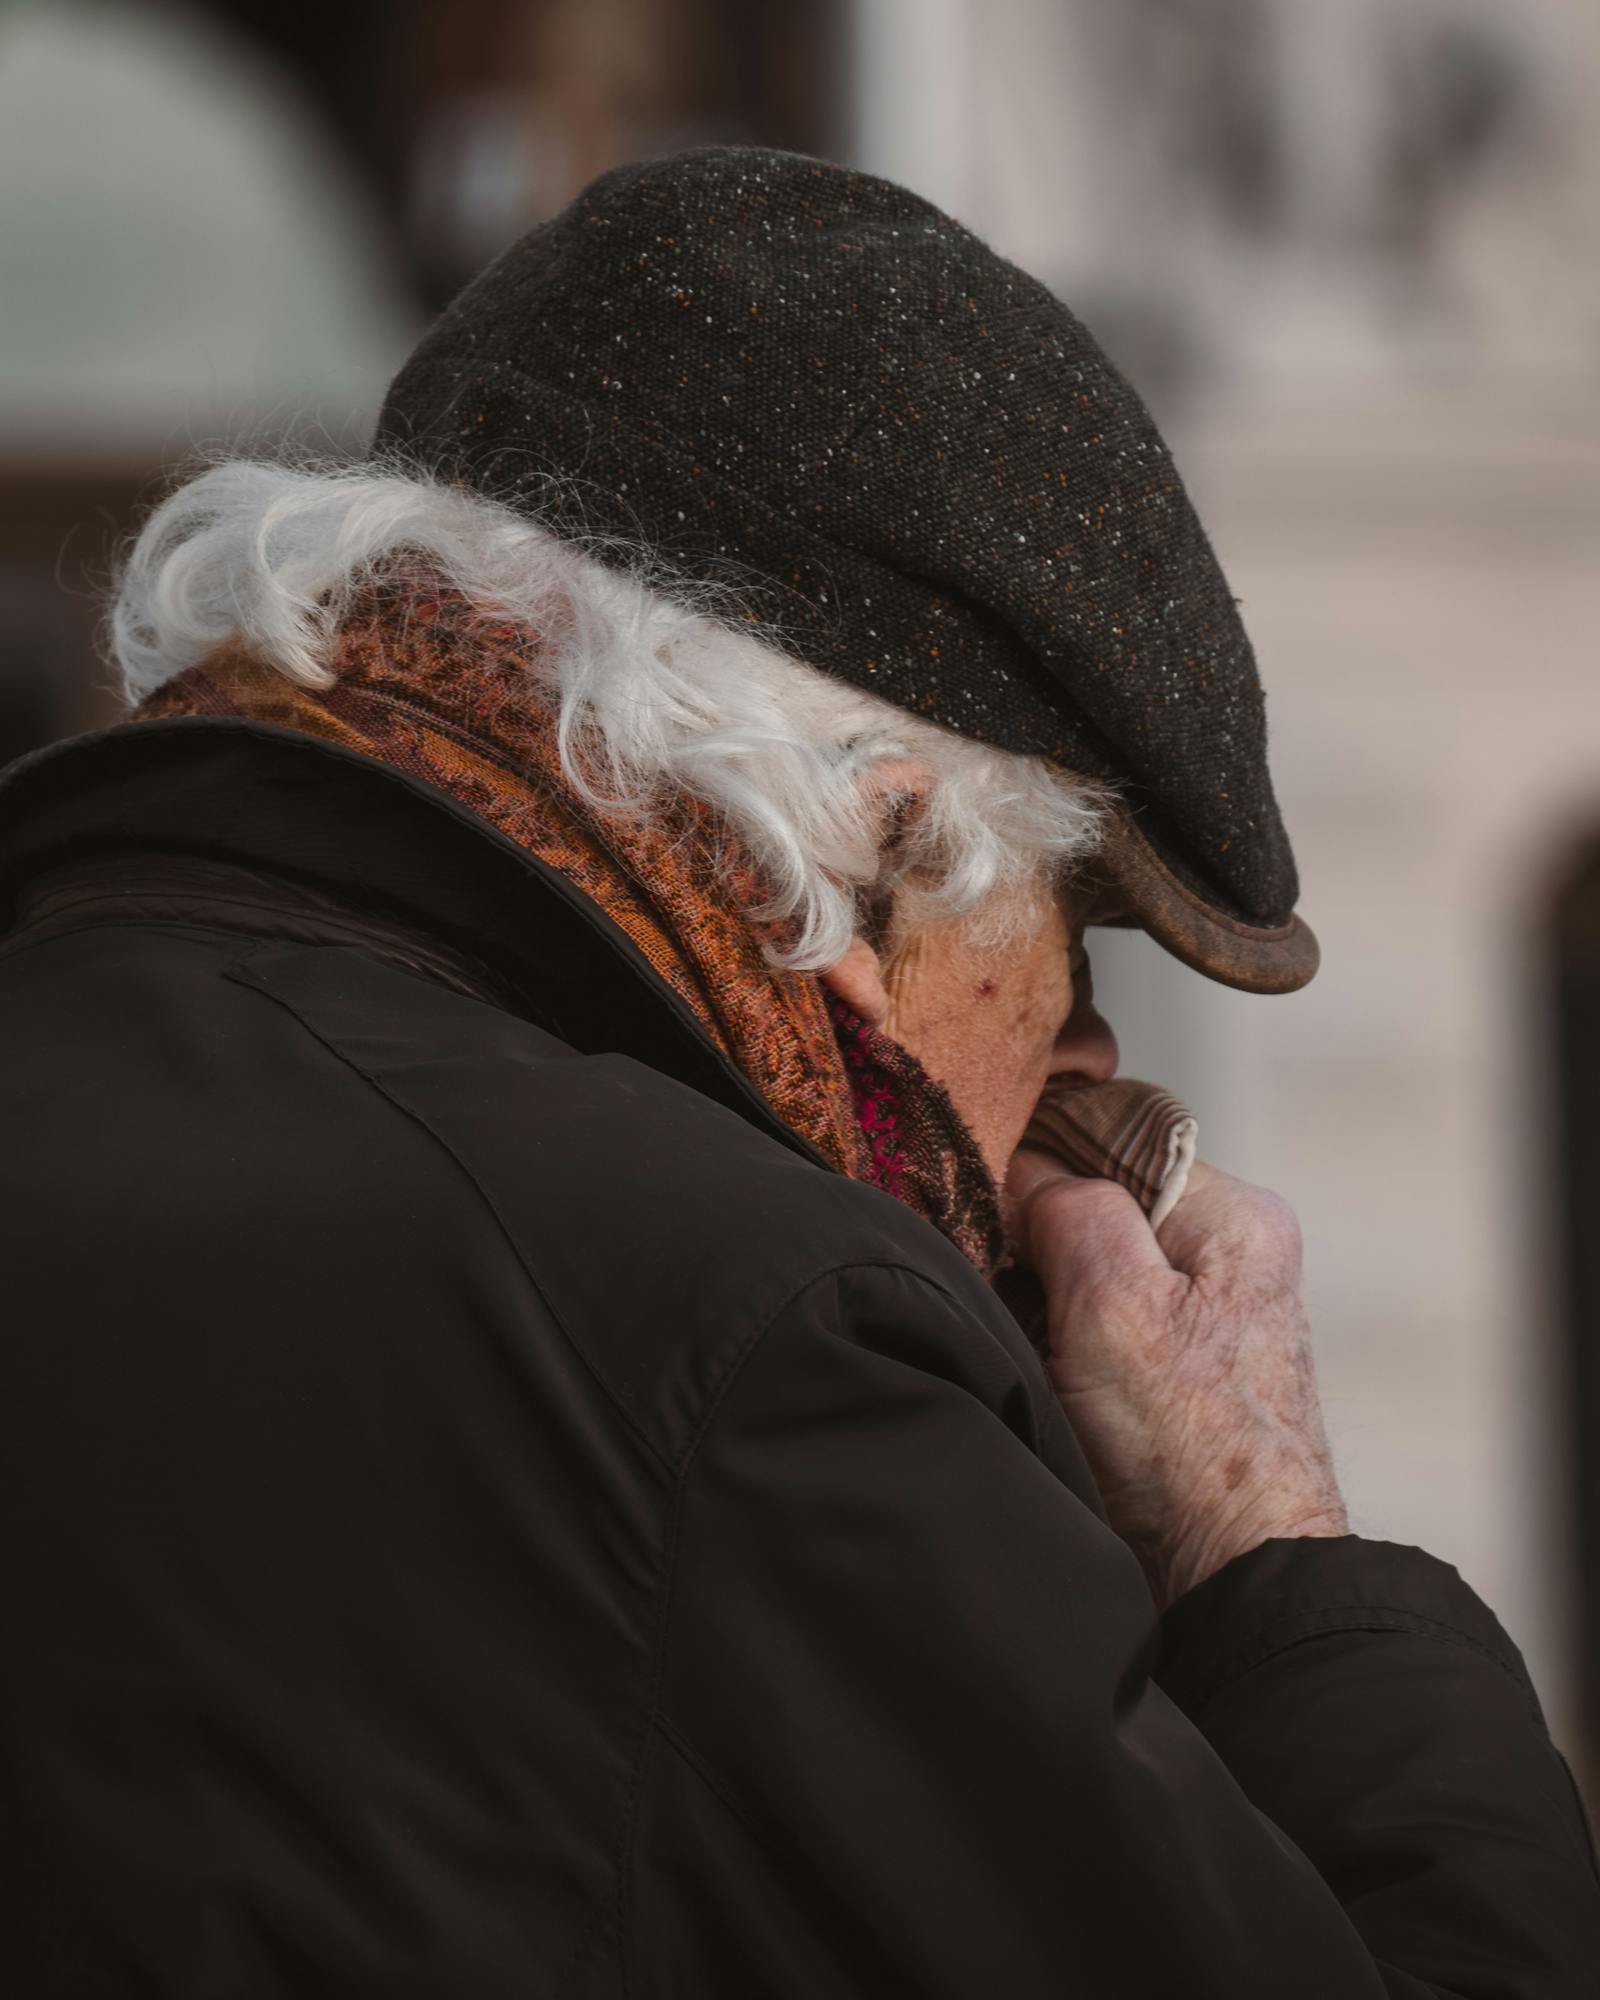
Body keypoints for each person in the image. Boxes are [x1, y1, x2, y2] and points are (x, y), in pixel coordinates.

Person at [0, 145, 1594, 1998]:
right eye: (1075, 947)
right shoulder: (753, 1341)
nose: (1083, 1065)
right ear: (865, 858)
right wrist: (1263, 1536)